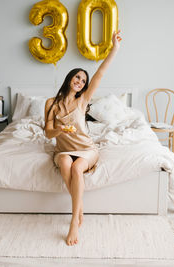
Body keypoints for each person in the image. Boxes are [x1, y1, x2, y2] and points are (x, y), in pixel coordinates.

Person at [44, 31, 122, 246]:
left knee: (77, 169)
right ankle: (81, 210)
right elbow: (47, 132)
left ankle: (73, 220)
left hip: (87, 149)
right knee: (63, 161)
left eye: (83, 80)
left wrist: (114, 48)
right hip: (63, 149)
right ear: (69, 78)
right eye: (77, 77)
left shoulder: (83, 100)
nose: (80, 81)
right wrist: (60, 130)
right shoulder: (52, 103)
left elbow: (100, 73)